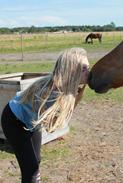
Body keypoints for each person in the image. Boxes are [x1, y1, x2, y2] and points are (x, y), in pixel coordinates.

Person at [1, 48, 89, 183]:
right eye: (83, 69)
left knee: (36, 159)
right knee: (31, 169)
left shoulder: (69, 89)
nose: (88, 73)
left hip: (30, 121)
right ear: (71, 71)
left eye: (88, 67)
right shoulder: (53, 92)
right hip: (14, 120)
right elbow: (51, 127)